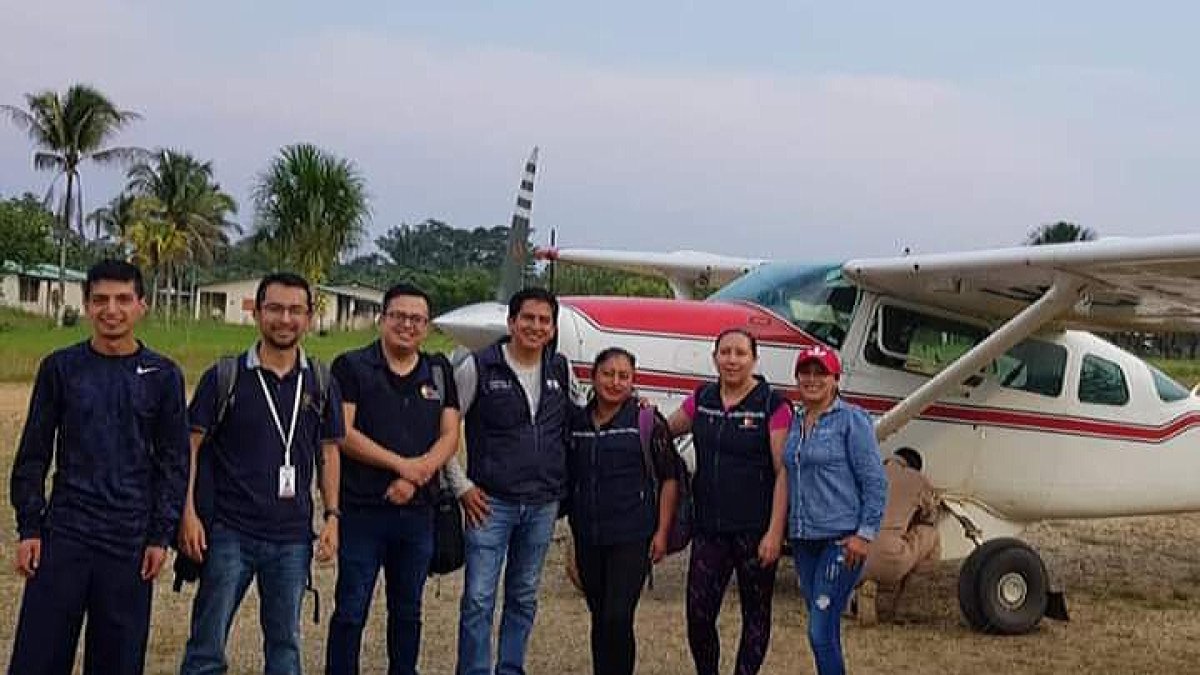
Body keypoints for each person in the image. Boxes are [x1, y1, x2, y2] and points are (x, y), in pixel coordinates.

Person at [8, 260, 189, 675]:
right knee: (37, 659)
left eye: (123, 299)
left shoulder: (163, 376)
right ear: (87, 305)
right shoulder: (60, 368)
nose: (112, 310)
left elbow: (174, 462)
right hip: (64, 534)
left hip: (128, 541)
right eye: (101, 300)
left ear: (142, 305)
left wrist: (160, 535)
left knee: (117, 662)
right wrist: (30, 527)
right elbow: (33, 453)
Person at [178, 273, 343, 675]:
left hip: (292, 537)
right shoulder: (225, 377)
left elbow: (328, 451)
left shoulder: (320, 381)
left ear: (309, 317)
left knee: (285, 646)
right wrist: (188, 515)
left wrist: (332, 516)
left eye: (295, 310)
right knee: (206, 645)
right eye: (275, 308)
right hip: (228, 532)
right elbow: (190, 447)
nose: (284, 319)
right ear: (257, 313)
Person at [325, 283, 461, 675]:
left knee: (407, 611)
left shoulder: (439, 371)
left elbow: (450, 434)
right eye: (399, 316)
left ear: (427, 326)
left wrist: (417, 476)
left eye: (417, 319)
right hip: (363, 510)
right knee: (351, 608)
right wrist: (401, 465)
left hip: (418, 514)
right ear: (383, 319)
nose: (407, 325)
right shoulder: (351, 366)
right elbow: (342, 432)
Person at [444, 287, 574, 675]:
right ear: (511, 322)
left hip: (542, 504)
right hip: (490, 504)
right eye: (528, 318)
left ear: (553, 329)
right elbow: (444, 432)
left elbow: (583, 417)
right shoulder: (478, 367)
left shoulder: (560, 369)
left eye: (544, 320)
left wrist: (638, 408)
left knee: (524, 595)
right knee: (479, 598)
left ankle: (510, 668)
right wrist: (461, 486)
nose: (536, 326)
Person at [665, 328, 791, 675]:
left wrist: (775, 532)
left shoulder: (773, 405)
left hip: (755, 530)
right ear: (715, 357)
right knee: (698, 615)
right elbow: (664, 431)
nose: (732, 360)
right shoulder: (702, 398)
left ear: (754, 359)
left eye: (740, 353)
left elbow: (784, 472)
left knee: (756, 613)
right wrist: (641, 413)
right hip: (709, 528)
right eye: (725, 352)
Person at [567, 347, 680, 675]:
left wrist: (662, 532)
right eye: (608, 374)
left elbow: (669, 477)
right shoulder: (576, 423)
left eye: (623, 376)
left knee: (618, 616)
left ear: (633, 381)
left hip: (632, 535)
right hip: (589, 535)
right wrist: (571, 540)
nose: (615, 382)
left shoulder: (647, 421)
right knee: (599, 616)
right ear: (593, 376)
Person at [784, 344, 888, 675]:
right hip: (804, 537)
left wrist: (865, 534)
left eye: (821, 373)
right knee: (825, 629)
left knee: (819, 632)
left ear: (835, 379)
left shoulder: (851, 420)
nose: (812, 379)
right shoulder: (794, 420)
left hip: (841, 540)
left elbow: (875, 480)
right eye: (805, 372)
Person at [858, 448, 941, 622]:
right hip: (889, 558)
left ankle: (854, 597)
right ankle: (905, 605)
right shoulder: (917, 479)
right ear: (914, 467)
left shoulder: (866, 473)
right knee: (931, 534)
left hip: (853, 558)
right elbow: (930, 517)